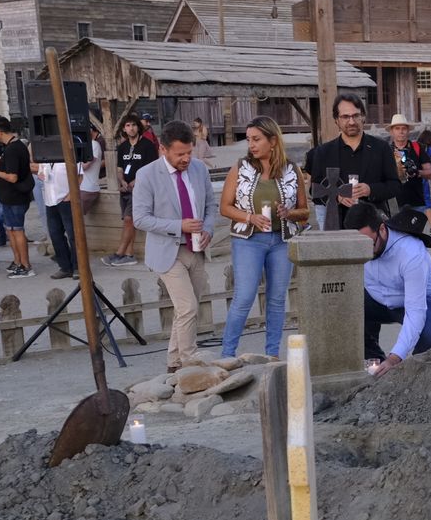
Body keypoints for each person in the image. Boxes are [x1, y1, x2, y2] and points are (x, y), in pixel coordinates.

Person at [218, 116, 308, 359]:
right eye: (248, 140)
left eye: (256, 139)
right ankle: (227, 355)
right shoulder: (240, 167)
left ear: (272, 140)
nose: (251, 145)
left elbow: (305, 211)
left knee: (277, 300)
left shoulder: (292, 169)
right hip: (248, 240)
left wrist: (289, 213)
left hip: (281, 240)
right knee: (244, 297)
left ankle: (272, 355)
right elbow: (225, 207)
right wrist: (250, 217)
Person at [133, 120, 216, 372]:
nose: (186, 158)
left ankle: (173, 362)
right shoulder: (146, 174)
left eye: (189, 152)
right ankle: (189, 360)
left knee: (186, 310)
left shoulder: (199, 169)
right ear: (163, 149)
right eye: (180, 154)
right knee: (187, 307)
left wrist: (209, 229)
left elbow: (210, 206)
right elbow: (140, 218)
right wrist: (178, 225)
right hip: (168, 251)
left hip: (197, 248)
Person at [345, 203, 431, 374]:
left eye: (368, 245)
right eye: (357, 246)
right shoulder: (358, 244)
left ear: (382, 229)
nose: (363, 252)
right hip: (378, 300)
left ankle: (414, 373)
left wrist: (395, 357)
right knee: (345, 308)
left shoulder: (411, 252)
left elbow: (415, 311)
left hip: (421, 300)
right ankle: (375, 365)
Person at [304, 93, 398, 229]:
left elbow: (394, 185)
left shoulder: (381, 148)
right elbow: (315, 191)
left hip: (373, 226)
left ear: (363, 117)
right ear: (336, 120)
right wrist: (337, 197)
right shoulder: (323, 152)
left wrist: (370, 189)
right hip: (338, 225)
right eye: (345, 117)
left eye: (356, 115)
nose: (351, 121)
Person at [0, 116, 37, 279]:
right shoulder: (14, 147)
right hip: (10, 196)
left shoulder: (13, 149)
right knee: (11, 229)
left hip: (15, 196)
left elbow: (12, 177)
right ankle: (18, 261)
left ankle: (25, 265)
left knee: (17, 230)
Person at [107, 113, 157, 266]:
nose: (131, 128)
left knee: (130, 219)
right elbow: (120, 167)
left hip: (141, 189)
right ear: (124, 128)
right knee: (129, 221)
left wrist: (137, 181)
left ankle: (119, 253)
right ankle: (130, 255)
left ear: (139, 127)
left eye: (134, 125)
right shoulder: (123, 147)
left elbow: (151, 168)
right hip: (126, 188)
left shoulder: (148, 145)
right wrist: (121, 180)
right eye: (128, 125)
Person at [388, 114, 431, 233]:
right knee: (396, 237)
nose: (401, 132)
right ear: (392, 132)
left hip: (416, 201)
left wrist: (418, 172)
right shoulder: (386, 150)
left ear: (408, 131)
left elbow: (430, 173)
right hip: (394, 202)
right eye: (397, 128)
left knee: (416, 237)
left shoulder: (417, 148)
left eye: (403, 128)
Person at [35, 159, 78, 280]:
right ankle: (65, 267)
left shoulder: (68, 154)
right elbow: (41, 173)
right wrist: (40, 175)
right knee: (55, 235)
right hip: (50, 200)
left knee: (73, 235)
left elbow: (79, 176)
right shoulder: (45, 158)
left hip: (66, 198)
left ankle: (78, 267)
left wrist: (70, 195)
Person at [78, 123, 103, 215]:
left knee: (77, 219)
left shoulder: (94, 144)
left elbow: (85, 166)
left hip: (87, 188)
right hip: (81, 187)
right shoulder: (85, 145)